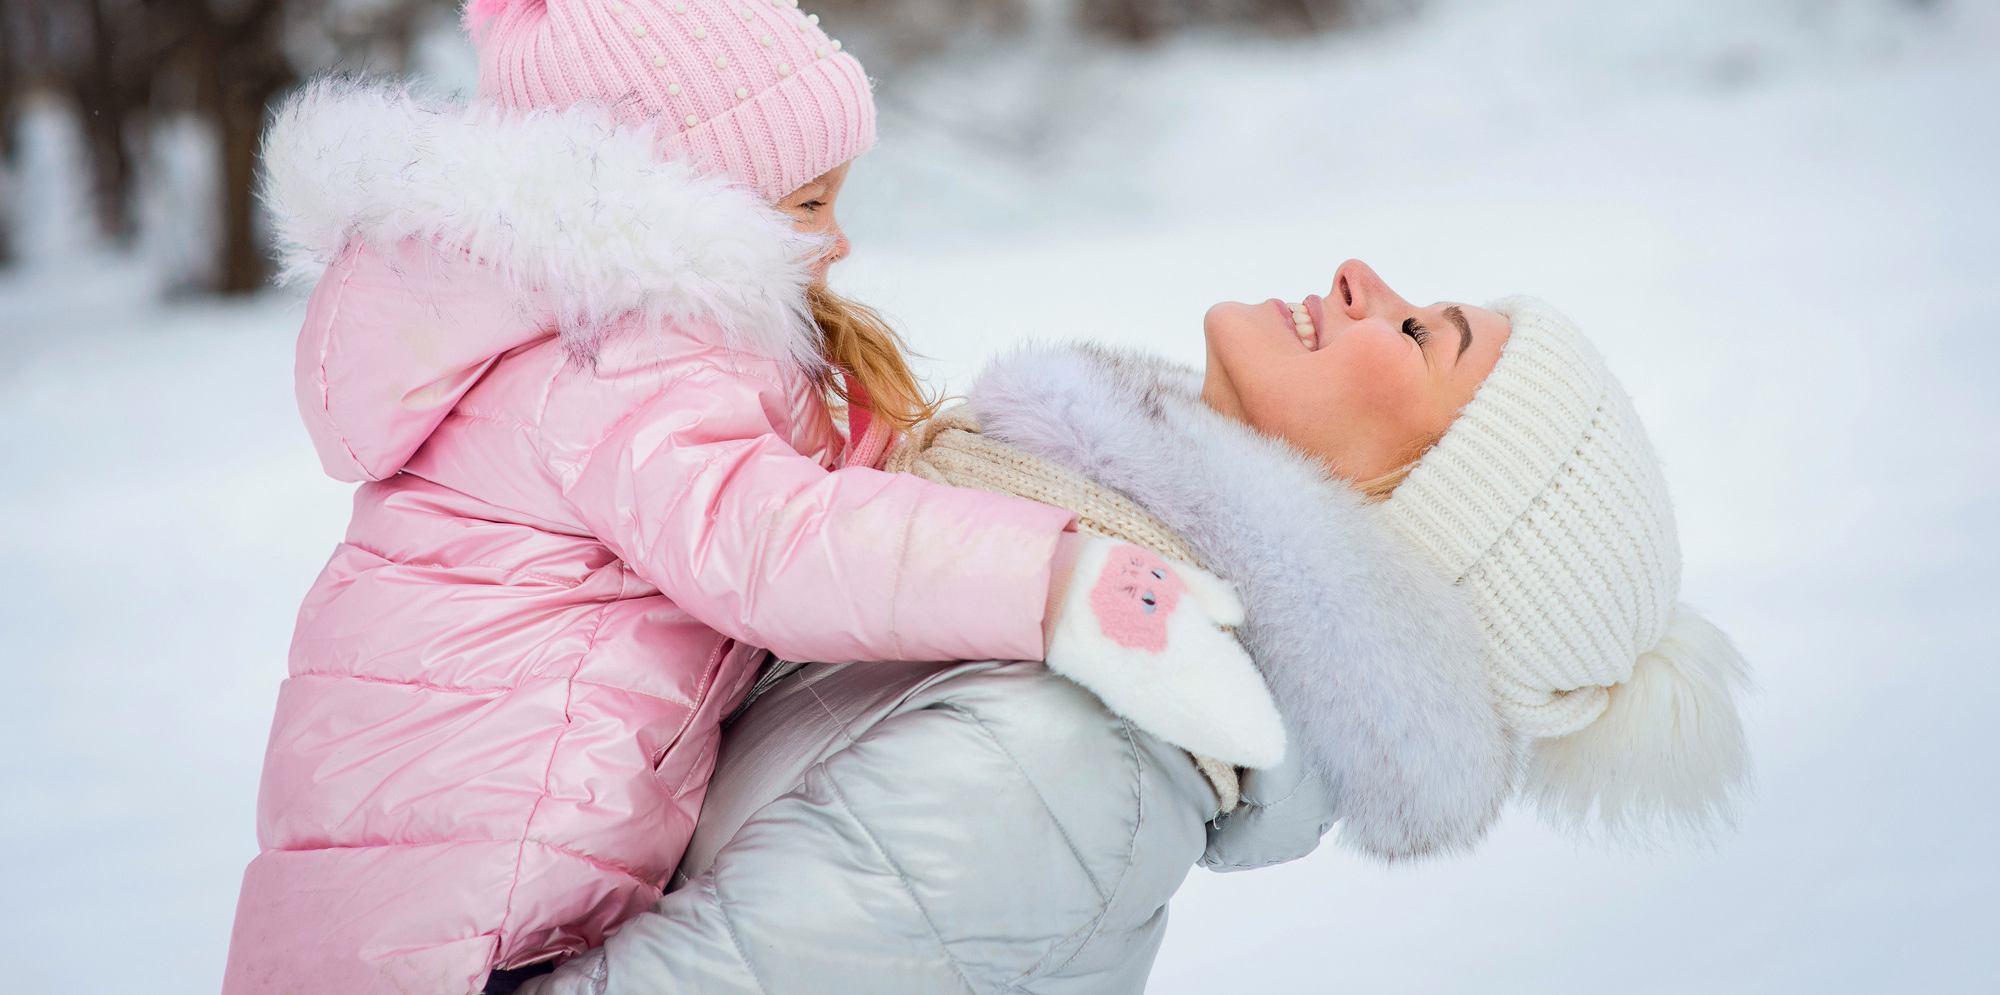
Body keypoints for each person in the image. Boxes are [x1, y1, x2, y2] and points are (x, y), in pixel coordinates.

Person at [219, 0, 1275, 995]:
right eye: (807, 203)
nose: (836, 241)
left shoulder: (561, 336)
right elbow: (768, 541)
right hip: (464, 938)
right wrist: (1061, 582)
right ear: (684, 206)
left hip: (413, 913)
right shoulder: (615, 354)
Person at [516, 264, 1752, 995]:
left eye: (1423, 335)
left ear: (1418, 517)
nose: (1360, 281)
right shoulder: (1021, 566)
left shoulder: (1069, 756)